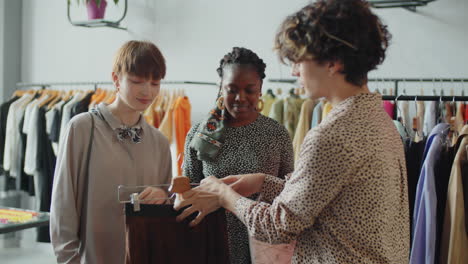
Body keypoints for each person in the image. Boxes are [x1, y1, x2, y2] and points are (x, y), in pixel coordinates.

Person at [175, 1, 410, 263]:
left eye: (298, 59)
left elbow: (278, 225)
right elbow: (323, 194)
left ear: (332, 61)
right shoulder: (379, 121)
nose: (294, 71)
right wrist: (264, 181)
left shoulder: (331, 137)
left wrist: (225, 195)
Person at [50, 40, 172, 263]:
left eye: (155, 83)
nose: (147, 91)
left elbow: (168, 204)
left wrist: (163, 196)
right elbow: (63, 206)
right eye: (137, 81)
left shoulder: (160, 142)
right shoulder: (82, 129)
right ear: (116, 79)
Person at [183, 47, 294, 264]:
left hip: (264, 245)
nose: (240, 98)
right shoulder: (199, 135)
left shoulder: (276, 134)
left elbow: (289, 193)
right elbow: (188, 192)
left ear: (261, 88)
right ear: (221, 88)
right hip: (211, 242)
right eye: (231, 89)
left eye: (249, 90)